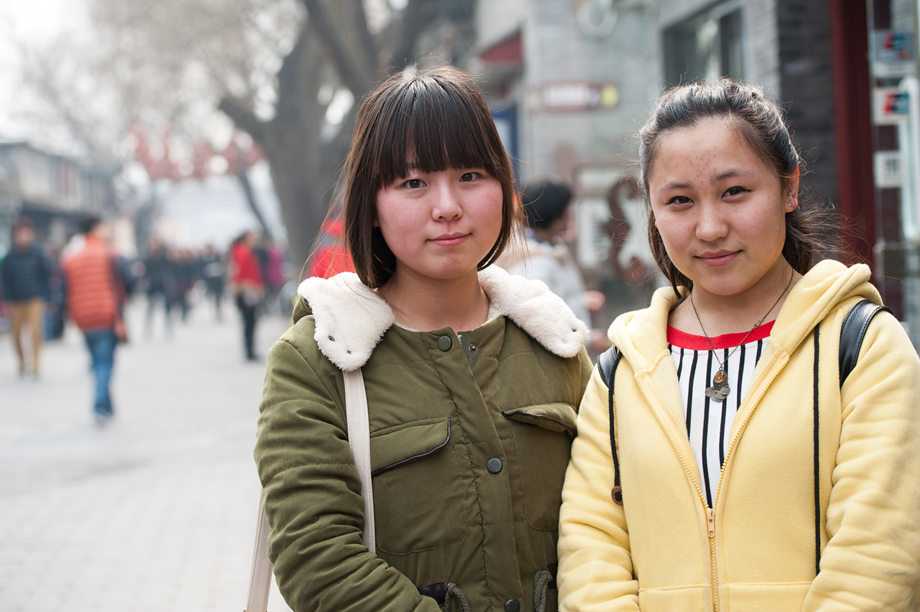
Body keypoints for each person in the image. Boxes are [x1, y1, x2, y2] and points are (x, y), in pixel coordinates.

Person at [557, 79, 920, 610]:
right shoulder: (620, 372)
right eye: (680, 200)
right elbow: (592, 551)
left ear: (789, 187)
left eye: (735, 192)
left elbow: (877, 554)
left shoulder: (861, 346)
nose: (709, 227)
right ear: (652, 210)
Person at [254, 66, 593, 612]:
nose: (447, 206)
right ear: (372, 202)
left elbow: (608, 522)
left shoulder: (554, 341)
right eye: (413, 183)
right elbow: (316, 559)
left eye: (471, 175)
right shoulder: (317, 361)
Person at [502, 180, 608, 354]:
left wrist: (582, 301)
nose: (570, 215)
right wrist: (587, 342)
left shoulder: (550, 248)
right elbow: (539, 317)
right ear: (554, 215)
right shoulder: (536, 264)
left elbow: (555, 298)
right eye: (567, 211)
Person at [61, 216, 127, 426]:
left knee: (96, 361)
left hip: (82, 317)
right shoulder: (108, 253)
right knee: (104, 363)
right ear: (95, 228)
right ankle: (100, 406)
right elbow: (126, 279)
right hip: (106, 315)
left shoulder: (71, 256)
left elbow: (64, 287)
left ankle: (107, 405)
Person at [1, 217, 52, 377]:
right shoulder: (9, 255)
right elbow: (5, 279)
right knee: (15, 333)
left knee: (36, 332)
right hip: (15, 300)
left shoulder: (38, 253)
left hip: (34, 297)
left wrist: (46, 296)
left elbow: (46, 275)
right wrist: (7, 298)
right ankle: (22, 361)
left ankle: (36, 363)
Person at [229, 230, 264, 361]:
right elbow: (241, 273)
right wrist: (254, 287)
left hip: (249, 289)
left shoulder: (245, 251)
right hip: (247, 290)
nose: (255, 240)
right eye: (252, 238)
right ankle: (249, 350)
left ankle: (250, 350)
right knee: (249, 320)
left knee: (251, 320)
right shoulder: (242, 252)